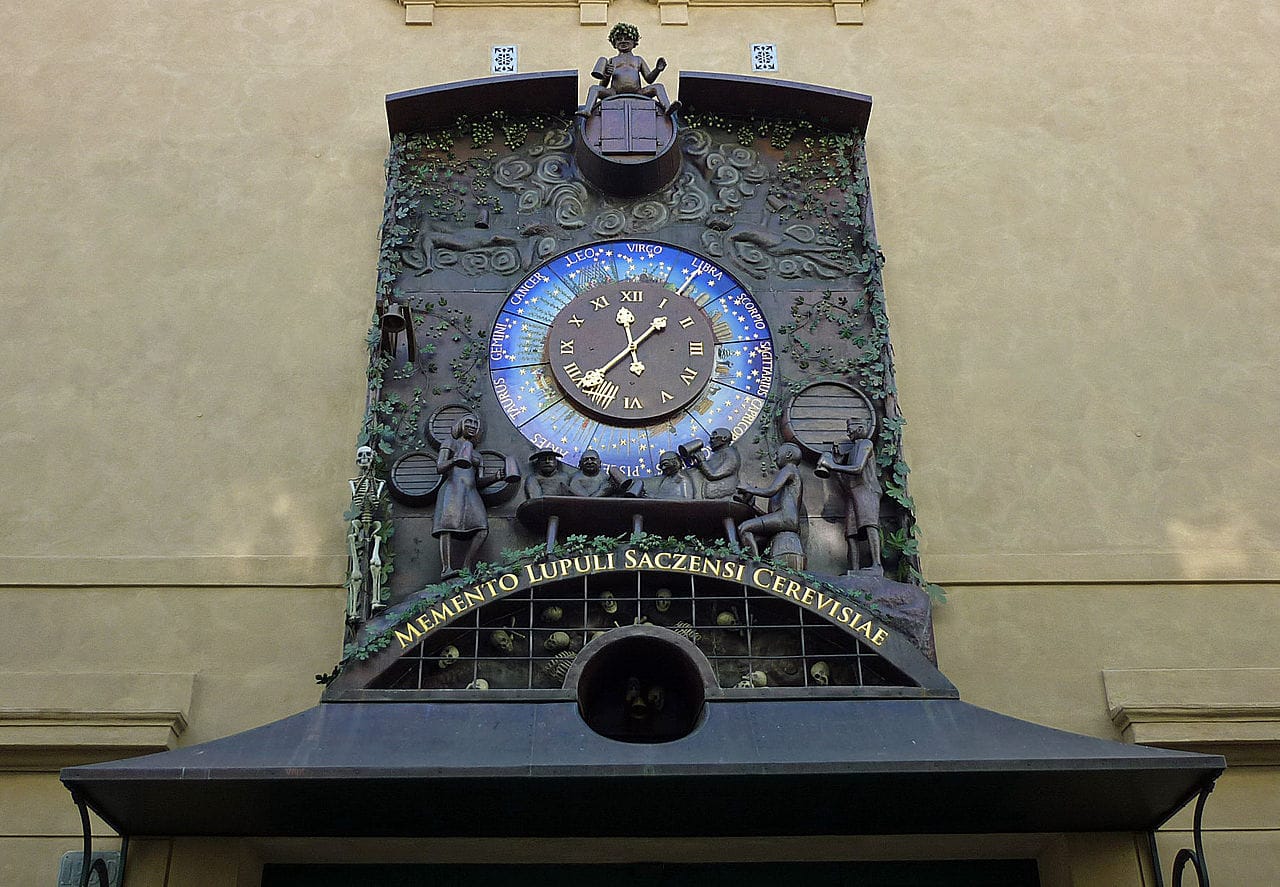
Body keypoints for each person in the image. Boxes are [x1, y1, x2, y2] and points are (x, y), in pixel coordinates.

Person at [433, 413, 497, 578]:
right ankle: (446, 568)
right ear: (460, 425)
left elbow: (480, 481)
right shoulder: (450, 443)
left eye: (475, 424)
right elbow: (440, 467)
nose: (472, 425)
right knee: (446, 526)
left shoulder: (477, 455)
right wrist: (455, 460)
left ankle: (466, 566)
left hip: (471, 491)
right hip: (452, 489)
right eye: (468, 422)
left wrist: (497, 477)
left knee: (482, 528)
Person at [577, 23, 678, 118]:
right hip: (614, 92)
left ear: (634, 42)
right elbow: (602, 85)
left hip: (638, 92)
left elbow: (649, 79)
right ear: (614, 44)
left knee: (658, 87)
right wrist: (607, 74)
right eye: (619, 39)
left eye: (627, 38)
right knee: (594, 88)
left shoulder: (638, 59)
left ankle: (667, 107)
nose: (623, 41)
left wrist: (657, 69)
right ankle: (587, 109)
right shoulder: (612, 60)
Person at [825, 417, 884, 571]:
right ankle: (855, 569)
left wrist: (833, 465)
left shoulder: (866, 444)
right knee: (851, 531)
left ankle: (877, 565)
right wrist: (836, 466)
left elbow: (858, 468)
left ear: (859, 429)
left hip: (867, 490)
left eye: (850, 429)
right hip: (853, 492)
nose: (848, 433)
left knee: (870, 524)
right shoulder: (853, 450)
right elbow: (847, 483)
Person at [736, 443, 804, 560]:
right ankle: (754, 558)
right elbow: (773, 516)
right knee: (756, 540)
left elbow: (770, 491)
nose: (774, 458)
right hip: (785, 519)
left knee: (744, 528)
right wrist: (753, 507)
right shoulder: (788, 474)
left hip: (786, 519)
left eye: (777, 454)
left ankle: (754, 563)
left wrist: (748, 488)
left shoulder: (789, 469)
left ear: (788, 454)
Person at [691, 428, 741, 500]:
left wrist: (702, 461)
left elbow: (713, 474)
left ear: (724, 438)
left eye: (714, 436)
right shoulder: (717, 454)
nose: (710, 440)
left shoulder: (730, 454)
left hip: (723, 495)